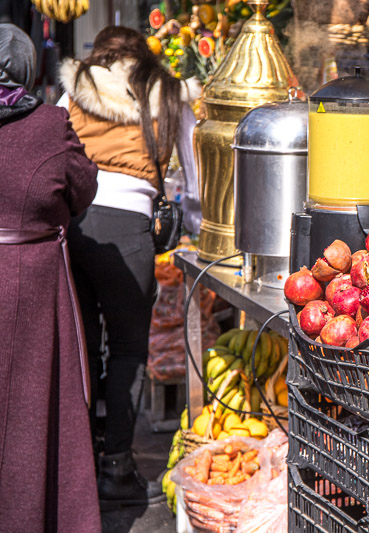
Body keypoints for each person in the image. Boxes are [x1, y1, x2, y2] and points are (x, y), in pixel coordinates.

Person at [58, 26, 201, 508]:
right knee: (127, 351)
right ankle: (116, 468)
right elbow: (194, 175)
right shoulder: (166, 89)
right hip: (130, 228)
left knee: (83, 345)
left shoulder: (77, 83)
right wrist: (196, 224)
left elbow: (51, 143)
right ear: (143, 55)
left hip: (74, 225)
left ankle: (79, 459)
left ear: (100, 54)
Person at [0, 24, 101, 532]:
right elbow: (83, 188)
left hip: (28, 278)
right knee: (29, 412)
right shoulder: (47, 124)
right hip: (29, 284)